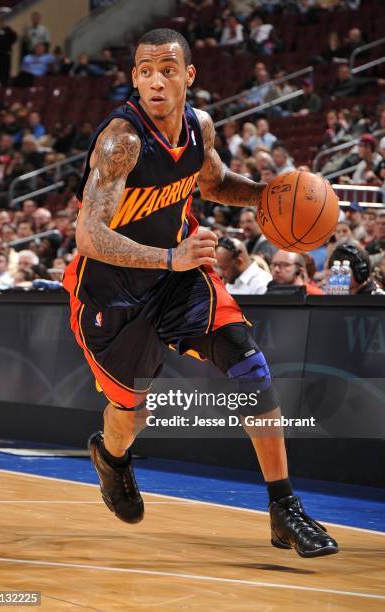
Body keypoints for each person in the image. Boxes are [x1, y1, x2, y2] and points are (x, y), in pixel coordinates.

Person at [63, 28, 338, 557]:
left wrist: (270, 195)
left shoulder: (198, 127)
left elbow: (211, 182)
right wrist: (168, 255)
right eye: (145, 71)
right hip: (111, 293)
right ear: (134, 79)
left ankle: (285, 507)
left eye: (167, 70)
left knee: (248, 364)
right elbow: (89, 235)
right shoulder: (122, 141)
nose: (155, 81)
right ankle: (111, 458)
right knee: (130, 412)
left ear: (189, 76)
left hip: (180, 276)